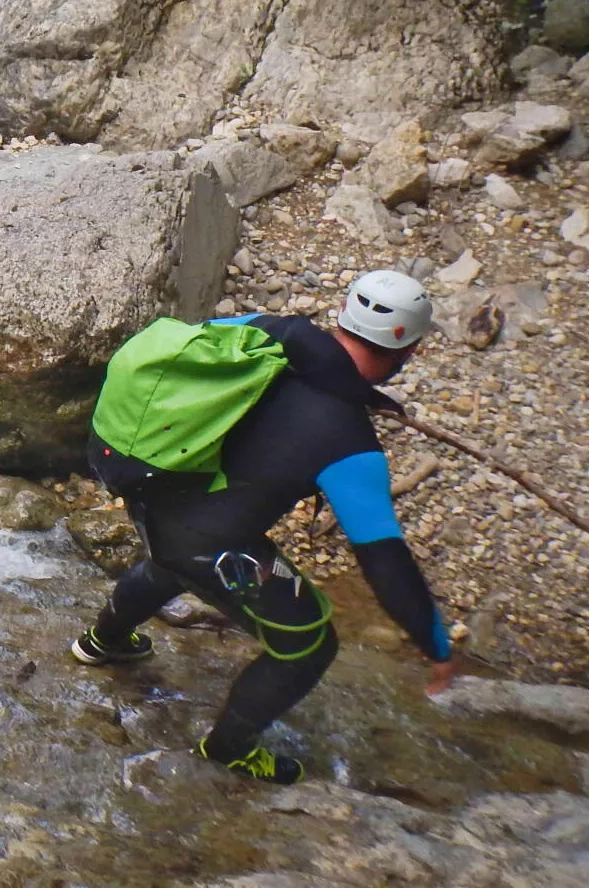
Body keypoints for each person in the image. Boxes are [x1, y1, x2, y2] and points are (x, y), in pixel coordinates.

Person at [68, 271, 456, 786]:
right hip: (204, 537)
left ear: (342, 317)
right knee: (310, 645)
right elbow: (386, 564)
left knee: (169, 559)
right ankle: (227, 750)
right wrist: (436, 646)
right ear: (406, 350)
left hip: (149, 486)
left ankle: (102, 641)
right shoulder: (351, 444)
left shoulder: (263, 334)